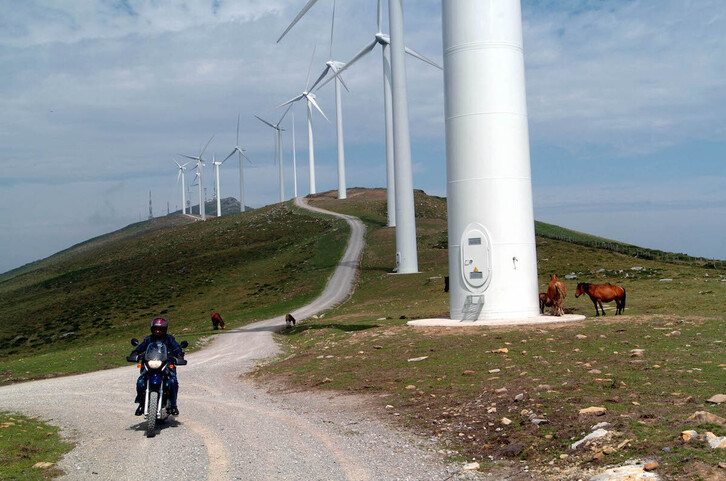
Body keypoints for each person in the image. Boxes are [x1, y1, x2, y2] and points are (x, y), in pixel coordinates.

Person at [129, 317, 184, 416]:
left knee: (172, 380)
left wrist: (179, 355)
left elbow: (176, 348)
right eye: (156, 329)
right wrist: (135, 353)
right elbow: (140, 348)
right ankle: (141, 403)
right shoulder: (148, 339)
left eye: (160, 329)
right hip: (150, 364)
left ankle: (173, 405)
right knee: (140, 381)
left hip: (166, 364)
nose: (158, 331)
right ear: (152, 329)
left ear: (165, 330)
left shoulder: (169, 339)